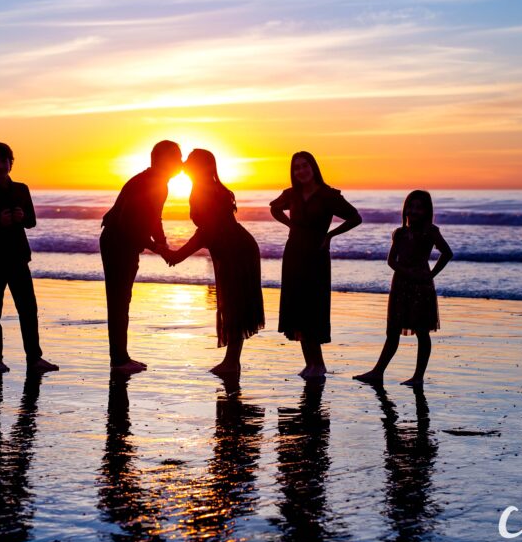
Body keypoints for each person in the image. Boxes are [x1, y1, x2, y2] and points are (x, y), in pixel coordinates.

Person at [166, 149, 264, 375]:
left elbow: (206, 231)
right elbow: (207, 231)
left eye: (190, 159)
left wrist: (175, 254)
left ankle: (232, 363)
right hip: (233, 248)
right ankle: (232, 361)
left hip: (236, 250)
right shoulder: (205, 188)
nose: (185, 162)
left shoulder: (206, 191)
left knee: (234, 304)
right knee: (233, 304)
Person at [270, 151, 362, 378]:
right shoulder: (291, 194)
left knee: (313, 308)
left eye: (305, 166)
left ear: (314, 167)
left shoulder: (328, 195)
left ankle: (318, 364)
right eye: (296, 167)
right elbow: (274, 208)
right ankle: (309, 363)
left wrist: (330, 236)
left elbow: (355, 218)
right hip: (294, 254)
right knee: (297, 308)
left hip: (316, 256)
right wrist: (290, 224)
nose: (301, 171)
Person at [0, 142, 58, 374]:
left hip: (18, 256)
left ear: (11, 163)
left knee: (28, 308)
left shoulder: (21, 189)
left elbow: (31, 222)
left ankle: (34, 358)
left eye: (3, 160)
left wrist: (22, 216)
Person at [354, 190, 452, 388]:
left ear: (426, 211)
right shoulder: (400, 233)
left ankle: (418, 377)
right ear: (405, 208)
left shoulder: (431, 231)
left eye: (419, 207)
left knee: (422, 332)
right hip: (400, 285)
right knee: (392, 331)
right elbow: (390, 260)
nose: (414, 211)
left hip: (421, 287)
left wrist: (430, 275)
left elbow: (447, 253)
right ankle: (377, 371)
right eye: (411, 206)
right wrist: (406, 272)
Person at [100, 140, 183, 374]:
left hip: (124, 242)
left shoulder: (159, 182)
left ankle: (121, 357)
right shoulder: (148, 182)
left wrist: (162, 242)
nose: (181, 162)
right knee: (118, 301)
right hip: (117, 242)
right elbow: (129, 226)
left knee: (121, 301)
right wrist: (158, 249)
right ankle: (119, 360)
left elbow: (154, 217)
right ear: (163, 160)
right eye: (177, 158)